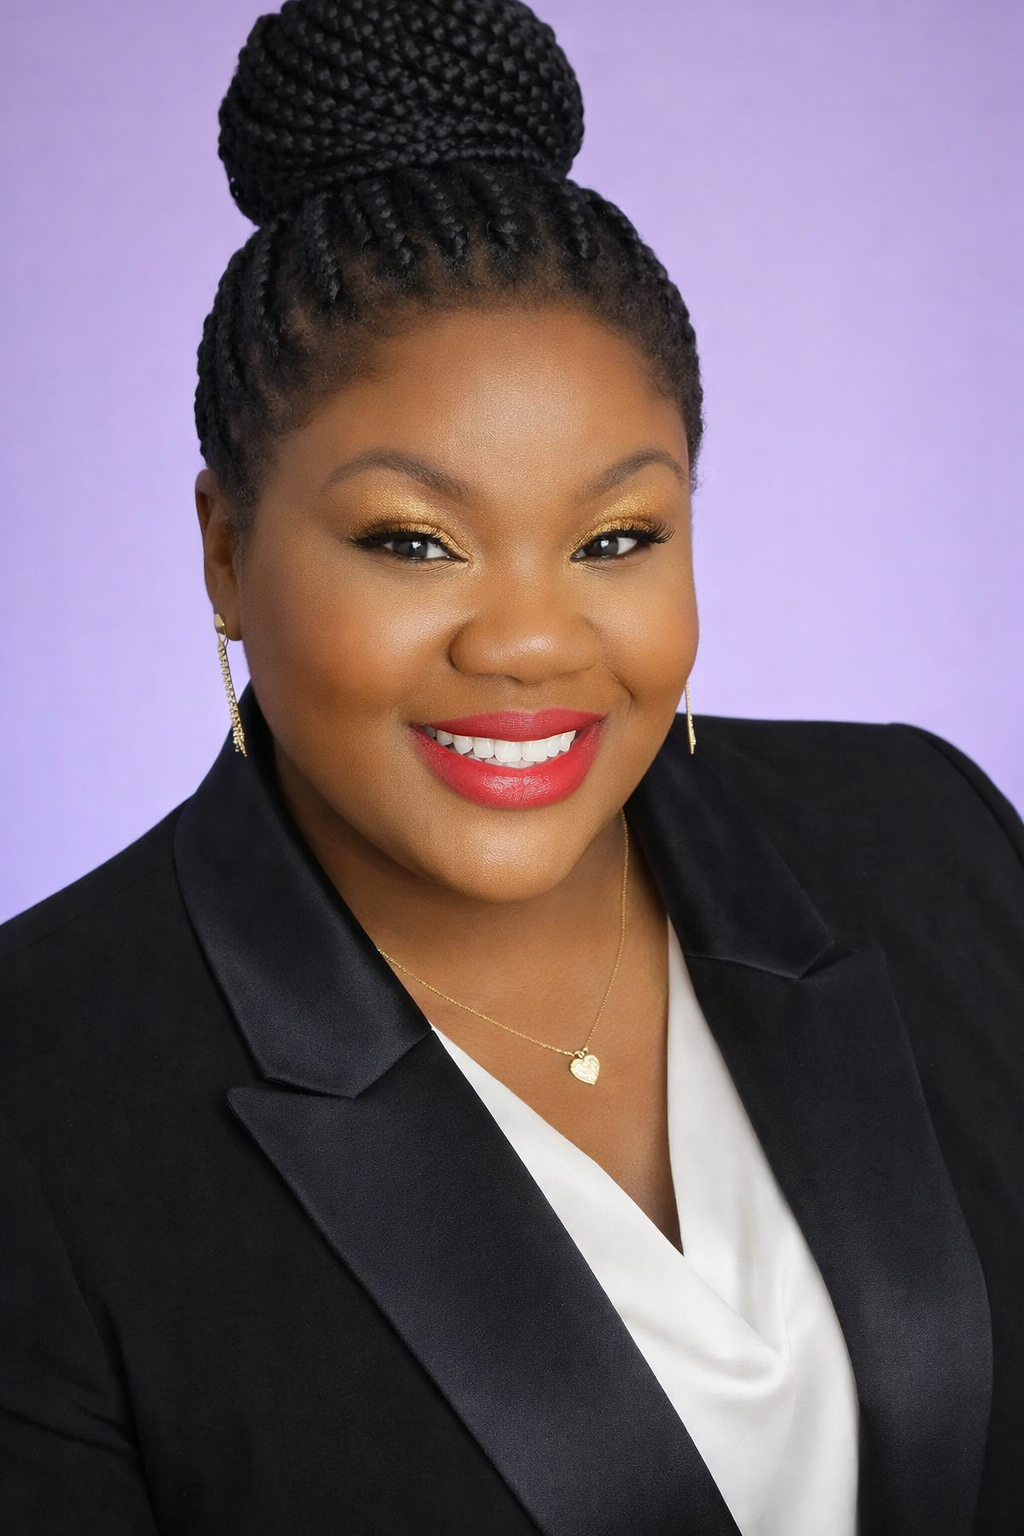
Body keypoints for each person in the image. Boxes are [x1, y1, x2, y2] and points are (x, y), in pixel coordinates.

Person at [1, 0, 1021, 1532]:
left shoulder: (918, 835)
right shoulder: (43, 1097)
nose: (533, 643)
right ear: (225, 550)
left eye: (618, 538)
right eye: (415, 543)